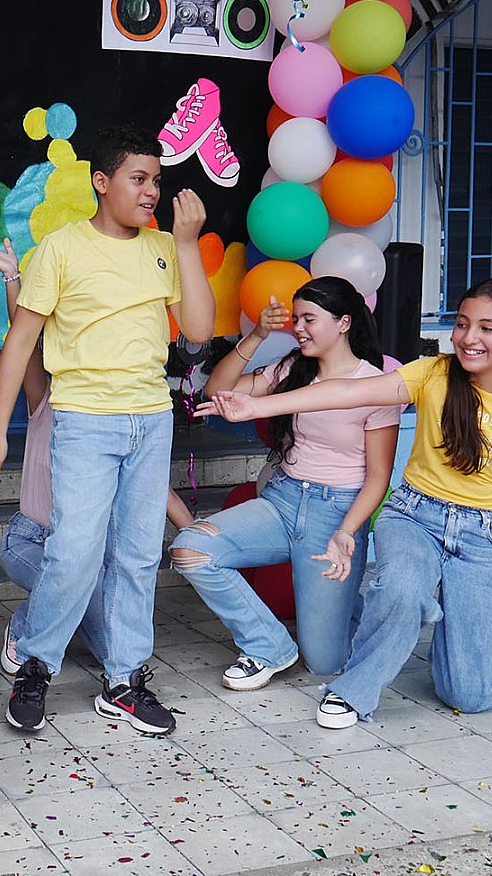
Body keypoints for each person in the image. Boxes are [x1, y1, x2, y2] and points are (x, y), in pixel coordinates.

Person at [197, 278, 492, 729]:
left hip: (488, 535)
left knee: (468, 695)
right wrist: (256, 407)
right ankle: (353, 692)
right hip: (416, 516)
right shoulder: (433, 373)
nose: (469, 338)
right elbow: (346, 392)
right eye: (462, 324)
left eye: (488, 328)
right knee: (402, 590)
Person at [0, 125, 216, 735]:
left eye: (156, 180)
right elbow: (20, 342)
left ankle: (124, 681)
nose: (151, 191)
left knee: (137, 555)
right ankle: (36, 666)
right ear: (102, 182)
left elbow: (197, 331)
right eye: (139, 179)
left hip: (151, 419)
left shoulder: (163, 246)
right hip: (84, 420)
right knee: (74, 551)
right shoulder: (60, 249)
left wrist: (187, 246)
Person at [0, 230, 194, 676]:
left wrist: (193, 530)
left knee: (112, 642)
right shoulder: (48, 400)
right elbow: (24, 339)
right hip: (32, 539)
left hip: (91, 549)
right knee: (76, 575)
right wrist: (13, 278)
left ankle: (67, 627)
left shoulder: (121, 414)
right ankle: (27, 627)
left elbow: (152, 489)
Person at [170, 277, 398, 690]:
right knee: (191, 549)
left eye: (310, 319)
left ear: (344, 322)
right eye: (296, 319)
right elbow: (218, 391)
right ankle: (269, 646)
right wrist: (257, 334)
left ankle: (361, 613)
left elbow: (378, 477)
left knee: (325, 662)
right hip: (282, 499)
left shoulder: (376, 384)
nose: (299, 328)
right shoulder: (294, 368)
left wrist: (347, 531)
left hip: (334, 513)